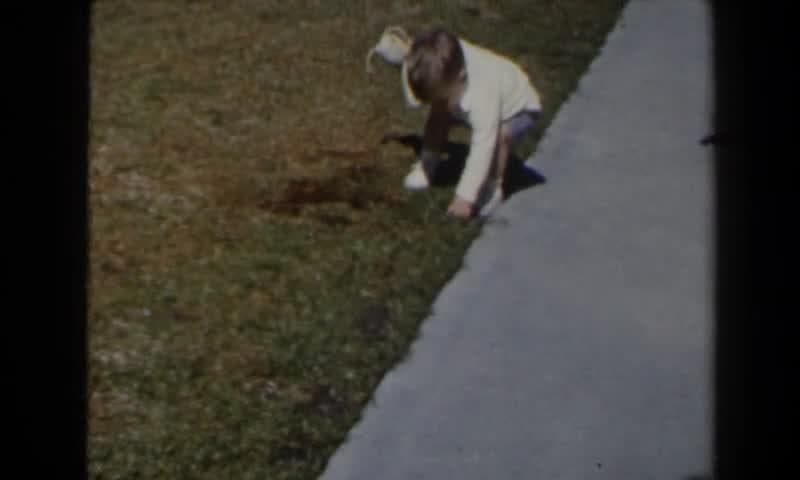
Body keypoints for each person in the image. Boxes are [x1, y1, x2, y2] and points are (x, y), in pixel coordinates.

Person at [401, 28, 542, 218]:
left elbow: (482, 146)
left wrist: (464, 197)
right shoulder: (438, 61)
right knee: (439, 111)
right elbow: (411, 67)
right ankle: (428, 165)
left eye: (444, 95)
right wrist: (417, 98)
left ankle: (492, 187)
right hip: (468, 97)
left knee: (500, 136)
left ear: (460, 78)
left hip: (518, 110)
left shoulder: (482, 94)